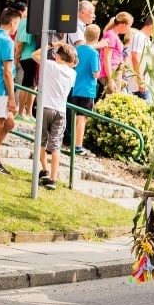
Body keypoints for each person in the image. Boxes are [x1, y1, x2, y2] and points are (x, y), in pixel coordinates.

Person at [31, 42, 77, 190]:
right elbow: (73, 64)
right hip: (61, 111)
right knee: (55, 145)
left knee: (42, 141)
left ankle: (44, 170)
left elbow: (35, 55)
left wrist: (52, 44)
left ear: (57, 56)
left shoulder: (51, 66)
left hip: (45, 108)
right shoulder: (73, 73)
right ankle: (53, 178)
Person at [0, 8, 21, 175]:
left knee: (9, 123)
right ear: (12, 22)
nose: (17, 27)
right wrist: (12, 97)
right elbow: (7, 72)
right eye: (17, 23)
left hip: (0, 88)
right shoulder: (6, 41)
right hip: (0, 89)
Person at [71, 25, 101, 157]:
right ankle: (78, 146)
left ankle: (72, 142)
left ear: (84, 35)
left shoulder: (77, 49)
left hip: (75, 87)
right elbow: (96, 73)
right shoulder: (94, 53)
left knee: (74, 117)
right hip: (87, 89)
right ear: (97, 38)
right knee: (82, 118)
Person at [99, 12, 133, 96]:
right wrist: (111, 79)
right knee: (113, 99)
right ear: (123, 25)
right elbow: (107, 58)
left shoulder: (113, 35)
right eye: (129, 26)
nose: (129, 29)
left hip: (115, 71)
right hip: (113, 71)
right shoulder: (111, 35)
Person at [14, 5, 37, 123]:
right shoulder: (26, 22)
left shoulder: (26, 21)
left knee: (33, 85)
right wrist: (17, 55)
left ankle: (29, 112)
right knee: (26, 84)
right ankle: (21, 112)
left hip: (31, 56)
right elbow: (21, 41)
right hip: (28, 56)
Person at [128, 14, 154, 103]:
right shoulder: (139, 37)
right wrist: (140, 81)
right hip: (140, 87)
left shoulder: (147, 39)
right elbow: (135, 58)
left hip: (146, 86)